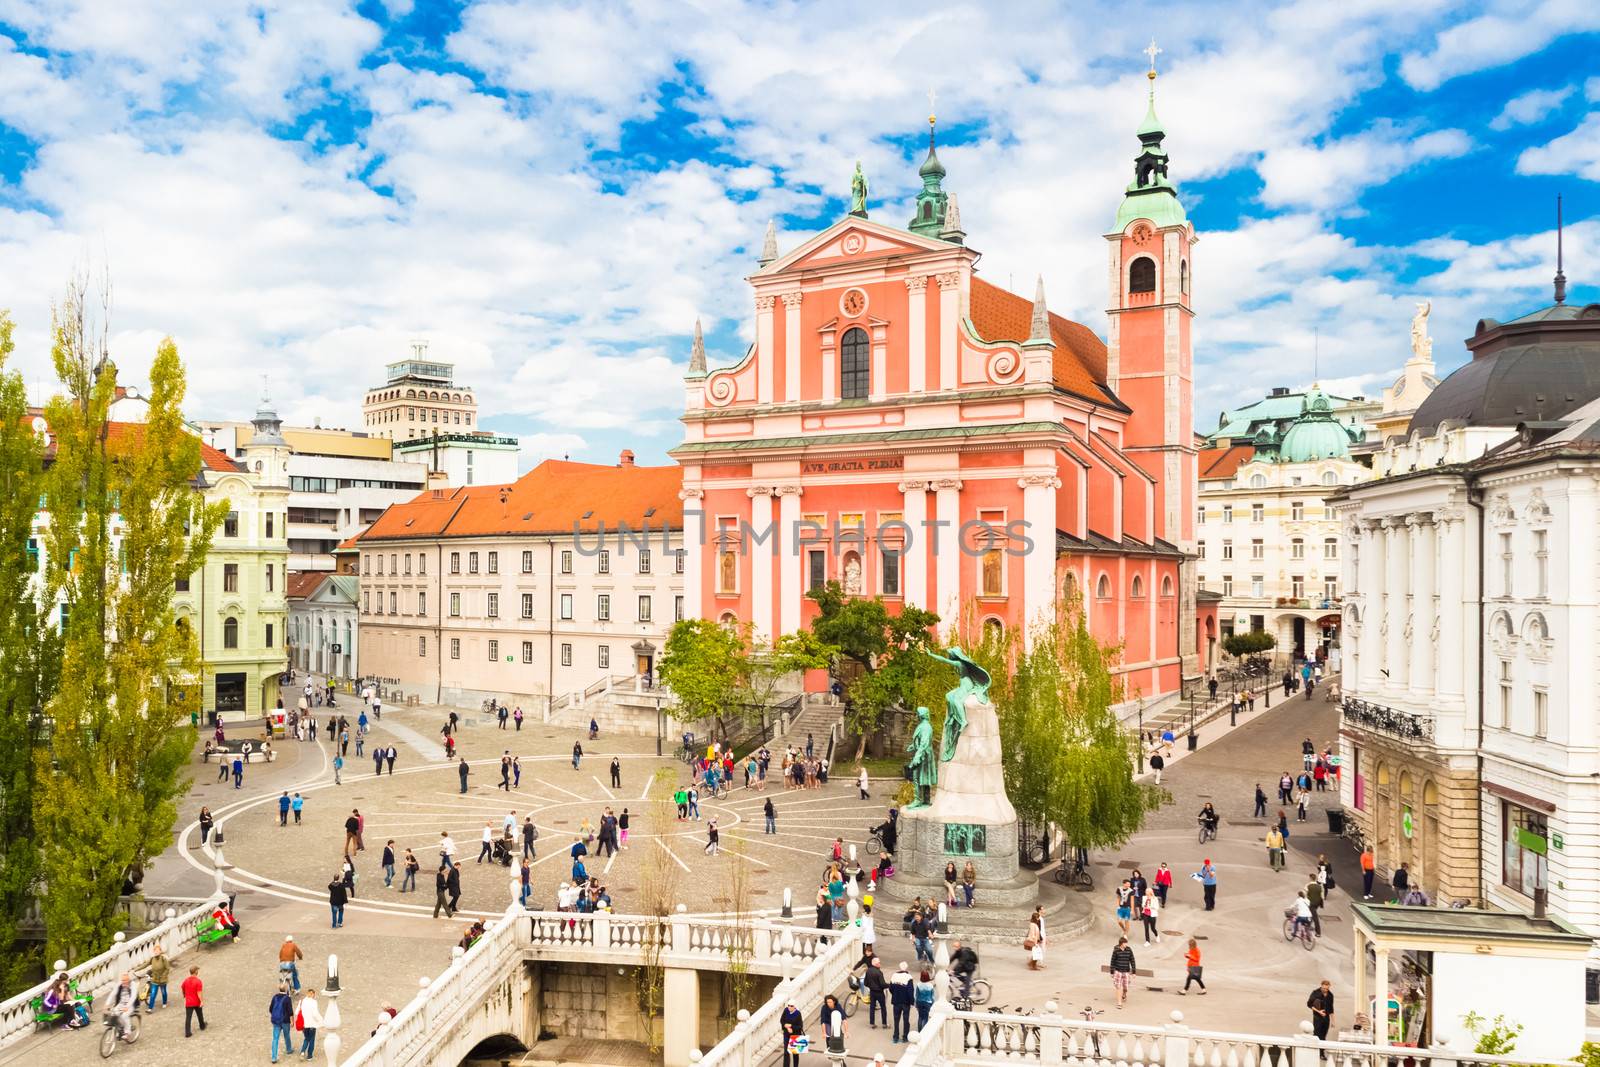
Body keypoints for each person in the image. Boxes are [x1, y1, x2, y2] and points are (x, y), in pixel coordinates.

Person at [269, 981, 294, 1062]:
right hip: (285, 1021)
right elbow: (290, 1011)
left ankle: (274, 1057)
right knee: (286, 1035)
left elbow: (270, 1009)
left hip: (276, 1021)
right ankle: (289, 1049)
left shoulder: (275, 997)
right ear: (286, 989)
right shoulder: (287, 998)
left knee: (275, 1038)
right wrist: (292, 1021)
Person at [108, 972, 137, 1042]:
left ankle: (127, 1032)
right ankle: (120, 1029)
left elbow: (133, 997)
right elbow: (113, 993)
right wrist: (107, 1004)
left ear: (129, 980)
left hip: (131, 1004)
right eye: (122, 980)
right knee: (113, 1014)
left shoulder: (133, 984)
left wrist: (127, 1006)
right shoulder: (120, 984)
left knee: (124, 1016)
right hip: (121, 1004)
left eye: (125, 980)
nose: (123, 982)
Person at [1109, 936, 1136, 1008]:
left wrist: (1134, 972)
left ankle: (1124, 994)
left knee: (1125, 987)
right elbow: (1112, 961)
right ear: (1121, 944)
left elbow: (1132, 960)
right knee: (1118, 987)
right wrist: (1112, 972)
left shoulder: (1129, 950)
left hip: (1126, 971)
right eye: (1125, 943)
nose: (1126, 944)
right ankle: (1119, 1003)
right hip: (1118, 971)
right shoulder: (1116, 951)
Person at [181, 965, 206, 1037]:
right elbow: (199, 993)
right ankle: (202, 1026)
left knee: (188, 1017)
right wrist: (201, 1001)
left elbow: (182, 987)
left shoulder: (186, 980)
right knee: (200, 1015)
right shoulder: (198, 981)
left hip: (189, 1002)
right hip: (196, 1002)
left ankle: (187, 1032)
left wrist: (184, 994)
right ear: (196, 972)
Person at [780, 998, 805, 1067]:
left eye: (791, 1006)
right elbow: (782, 1020)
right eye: (788, 1005)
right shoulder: (786, 1010)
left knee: (795, 1053)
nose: (789, 1007)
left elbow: (800, 1026)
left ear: (794, 1007)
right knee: (786, 1053)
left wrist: (791, 1026)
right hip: (786, 1035)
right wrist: (786, 1026)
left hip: (795, 1036)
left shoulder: (798, 1014)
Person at [299, 988, 323, 1059]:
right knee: (312, 1040)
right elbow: (315, 1014)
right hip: (312, 1024)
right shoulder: (314, 1002)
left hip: (304, 1024)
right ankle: (309, 1056)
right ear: (313, 995)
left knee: (306, 1038)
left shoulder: (303, 1001)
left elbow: (298, 1012)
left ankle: (303, 1052)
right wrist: (321, 1021)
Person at [146, 943, 171, 1010]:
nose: (156, 952)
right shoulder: (152, 959)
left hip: (162, 980)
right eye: (155, 950)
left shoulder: (163, 959)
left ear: (160, 951)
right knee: (153, 993)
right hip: (155, 980)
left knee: (163, 992)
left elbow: (167, 968)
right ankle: (150, 1008)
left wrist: (163, 975)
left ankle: (164, 1003)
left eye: (157, 950)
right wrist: (137, 969)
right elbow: (145, 964)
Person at [912, 968, 935, 1032]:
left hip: (919, 1002)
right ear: (928, 977)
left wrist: (915, 1004)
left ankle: (919, 1031)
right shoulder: (930, 985)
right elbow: (932, 996)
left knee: (920, 1017)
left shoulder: (918, 985)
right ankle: (924, 1031)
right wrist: (933, 1003)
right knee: (925, 1018)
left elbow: (916, 995)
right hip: (928, 1003)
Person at [1027, 905, 1046, 970]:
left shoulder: (1039, 918)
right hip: (1038, 937)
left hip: (1040, 936)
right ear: (1040, 910)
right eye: (1043, 909)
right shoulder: (1038, 918)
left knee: (1038, 950)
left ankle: (1031, 962)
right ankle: (1034, 963)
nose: (1044, 910)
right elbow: (1037, 930)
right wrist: (1040, 938)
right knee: (1039, 950)